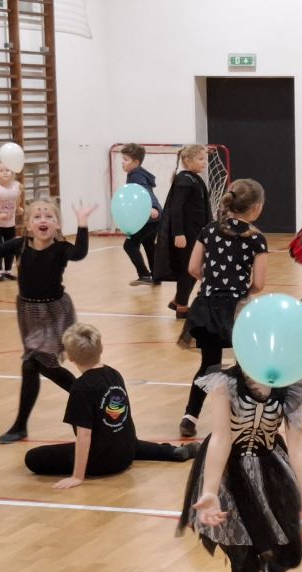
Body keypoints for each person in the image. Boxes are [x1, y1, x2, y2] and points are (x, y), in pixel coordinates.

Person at [178, 364, 302, 572]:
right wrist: (210, 491)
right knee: (242, 558)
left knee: (291, 553)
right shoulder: (225, 383)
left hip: (269, 467)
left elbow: (298, 444)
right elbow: (221, 438)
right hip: (228, 472)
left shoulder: (289, 386)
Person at [0, 199, 95, 444]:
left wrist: (82, 223)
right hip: (29, 313)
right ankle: (85, 395)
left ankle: (23, 424)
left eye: (49, 216)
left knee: (32, 365)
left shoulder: (61, 248)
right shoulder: (20, 245)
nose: (43, 220)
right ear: (27, 225)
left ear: (57, 225)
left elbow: (79, 253)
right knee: (40, 365)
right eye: (37, 217)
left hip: (56, 313)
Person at [23, 323, 197, 487]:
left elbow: (84, 436)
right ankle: (172, 452)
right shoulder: (114, 374)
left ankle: (105, 458)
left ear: (70, 357)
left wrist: (77, 476)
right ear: (101, 348)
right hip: (127, 451)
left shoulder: (81, 387)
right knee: (124, 442)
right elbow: (123, 419)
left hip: (102, 461)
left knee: (33, 458)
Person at [177, 179, 269, 438]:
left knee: (209, 363)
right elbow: (259, 283)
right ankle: (243, 417)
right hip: (235, 309)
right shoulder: (256, 238)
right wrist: (238, 290)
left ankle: (189, 416)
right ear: (256, 207)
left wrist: (214, 283)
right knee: (244, 364)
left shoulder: (209, 230)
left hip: (206, 307)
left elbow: (193, 268)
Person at [159, 144, 211, 319]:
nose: (204, 162)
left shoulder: (193, 178)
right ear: (187, 161)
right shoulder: (184, 180)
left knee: (195, 268)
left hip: (196, 232)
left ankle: (177, 301)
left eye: (205, 158)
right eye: (200, 159)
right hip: (187, 234)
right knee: (188, 270)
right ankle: (181, 307)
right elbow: (176, 208)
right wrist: (178, 233)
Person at [118, 143, 162, 286]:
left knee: (129, 246)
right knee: (148, 244)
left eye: (126, 159)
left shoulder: (135, 175)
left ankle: (144, 274)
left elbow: (144, 191)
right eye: (123, 159)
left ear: (136, 162)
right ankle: (156, 276)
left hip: (148, 217)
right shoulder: (139, 173)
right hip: (153, 219)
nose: (122, 162)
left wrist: (152, 207)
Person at [0, 161, 24, 282]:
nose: (5, 173)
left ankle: (8, 271)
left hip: (10, 223)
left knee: (11, 247)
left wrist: (18, 208)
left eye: (7, 170)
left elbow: (17, 199)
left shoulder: (16, 186)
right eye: (1, 171)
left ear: (12, 172)